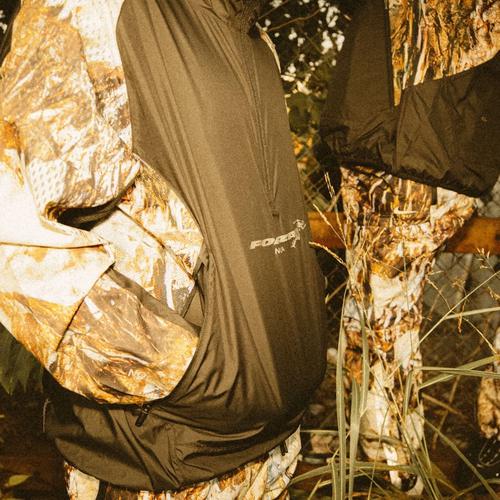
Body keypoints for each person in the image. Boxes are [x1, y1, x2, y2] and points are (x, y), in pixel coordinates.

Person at [0, 0, 327, 497]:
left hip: (275, 441)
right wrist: (182, 370)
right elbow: (12, 216)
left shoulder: (253, 35)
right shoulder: (95, 10)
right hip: (166, 453)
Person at [319, 0, 499, 494]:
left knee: (380, 315)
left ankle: (393, 469)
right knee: (373, 314)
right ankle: (386, 463)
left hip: (415, 140)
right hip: (396, 133)